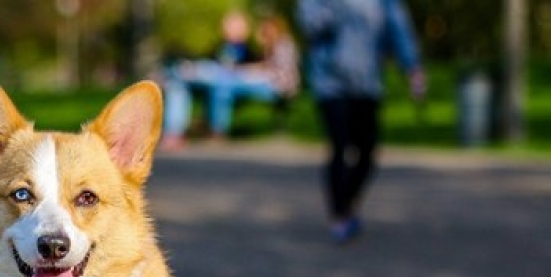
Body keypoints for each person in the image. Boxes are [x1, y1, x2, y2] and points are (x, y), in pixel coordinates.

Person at [297, 0, 426, 243]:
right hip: (330, 82)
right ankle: (340, 214)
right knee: (340, 145)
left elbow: (397, 27)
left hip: (368, 82)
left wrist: (412, 68)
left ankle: (348, 200)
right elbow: (310, 24)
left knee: (367, 150)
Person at [160, 12, 299, 148]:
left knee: (221, 83)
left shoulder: (278, 45)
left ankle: (214, 130)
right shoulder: (223, 46)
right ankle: (175, 132)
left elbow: (273, 72)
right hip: (228, 79)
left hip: (277, 86)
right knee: (178, 84)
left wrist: (246, 70)